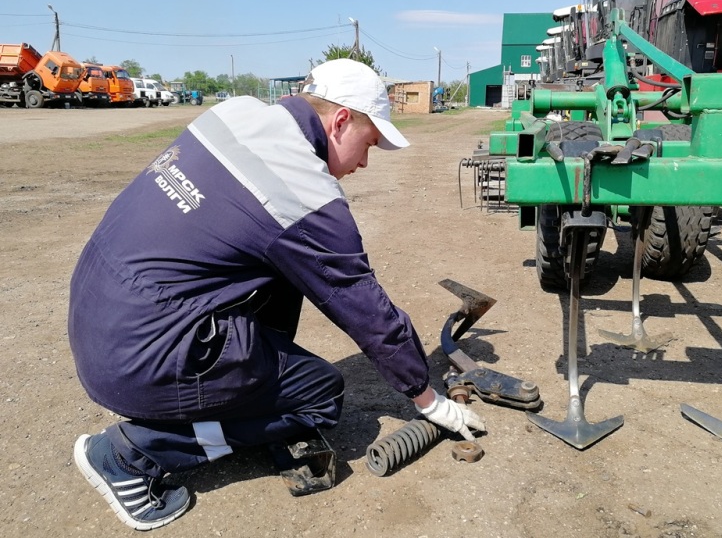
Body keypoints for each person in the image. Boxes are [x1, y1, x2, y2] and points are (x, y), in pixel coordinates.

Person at [68, 58, 485, 531]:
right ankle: (131, 453)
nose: (365, 163)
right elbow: (366, 309)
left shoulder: (237, 113)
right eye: (368, 144)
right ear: (341, 120)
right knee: (319, 399)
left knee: (283, 267)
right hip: (144, 358)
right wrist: (427, 398)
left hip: (99, 318)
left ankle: (242, 389)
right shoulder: (301, 190)